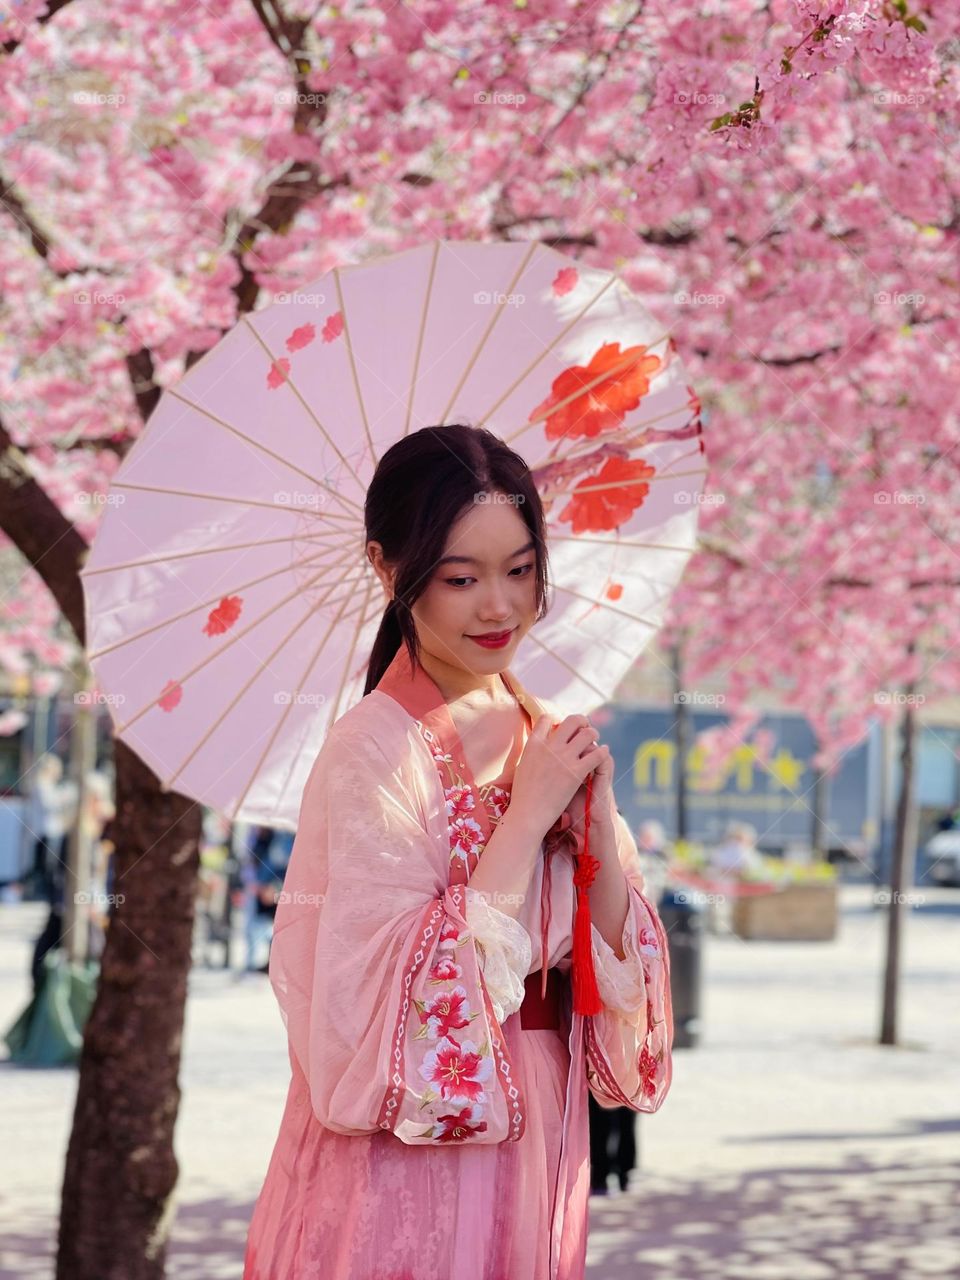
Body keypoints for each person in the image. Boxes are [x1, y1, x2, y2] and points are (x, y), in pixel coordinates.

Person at [243, 424, 674, 1280]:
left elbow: (622, 974)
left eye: (520, 570)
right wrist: (524, 823)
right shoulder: (374, 747)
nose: (499, 607)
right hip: (409, 1149)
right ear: (387, 567)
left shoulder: (545, 733)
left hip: (544, 1120)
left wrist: (594, 836)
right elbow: (376, 1006)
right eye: (461, 578)